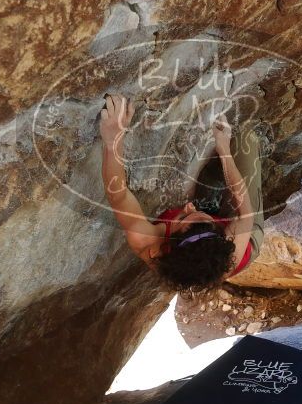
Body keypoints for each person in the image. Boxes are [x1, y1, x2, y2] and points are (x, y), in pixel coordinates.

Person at [100, 94, 264, 290]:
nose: (191, 207)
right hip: (244, 239)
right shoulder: (232, 247)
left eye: (189, 217)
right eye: (206, 219)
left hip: (211, 245)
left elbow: (118, 195)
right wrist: (225, 151)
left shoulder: (147, 241)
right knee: (246, 137)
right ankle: (217, 174)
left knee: (214, 179)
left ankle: (212, 181)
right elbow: (246, 213)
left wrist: (113, 140)